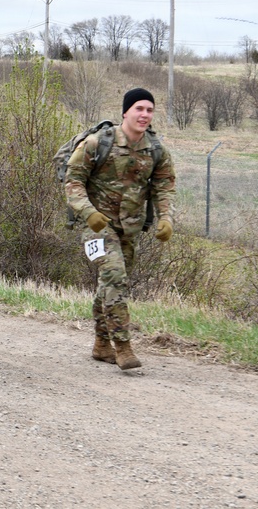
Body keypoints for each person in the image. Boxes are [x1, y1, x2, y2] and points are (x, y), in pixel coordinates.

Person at [65, 88, 176, 371]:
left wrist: (166, 218)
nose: (144, 115)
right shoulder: (97, 143)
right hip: (97, 227)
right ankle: (123, 346)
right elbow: (73, 181)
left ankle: (101, 344)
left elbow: (164, 186)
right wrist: (88, 213)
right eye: (139, 109)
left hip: (130, 228)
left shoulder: (156, 149)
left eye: (149, 110)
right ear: (125, 112)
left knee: (109, 284)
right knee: (115, 277)